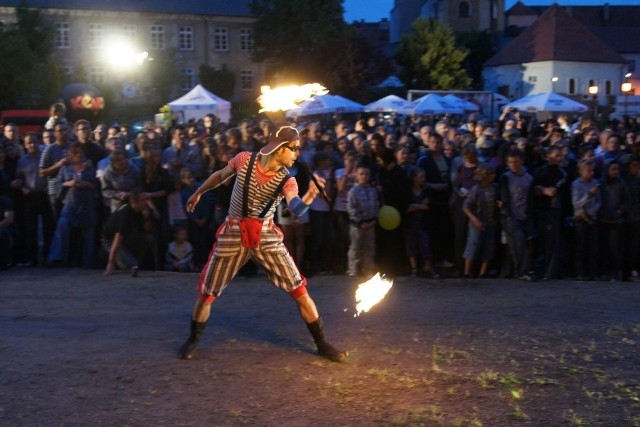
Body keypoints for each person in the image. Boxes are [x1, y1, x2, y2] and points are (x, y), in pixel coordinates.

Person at [178, 125, 347, 362]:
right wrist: (199, 192)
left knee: (299, 289)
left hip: (266, 235)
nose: (298, 153)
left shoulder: (287, 180)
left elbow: (295, 208)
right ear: (280, 149)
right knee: (208, 292)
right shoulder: (244, 159)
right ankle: (193, 339)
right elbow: (220, 176)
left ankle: (321, 344)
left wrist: (309, 195)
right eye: (294, 148)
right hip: (233, 232)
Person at [497, 150, 535, 281]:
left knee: (518, 244)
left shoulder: (529, 178)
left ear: (521, 161)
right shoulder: (505, 177)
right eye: (511, 162)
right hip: (510, 216)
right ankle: (522, 271)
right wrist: (507, 214)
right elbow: (503, 196)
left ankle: (516, 270)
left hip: (524, 214)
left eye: (516, 162)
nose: (513, 165)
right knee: (518, 241)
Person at [102, 188, 155, 276]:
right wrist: (110, 264)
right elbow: (116, 241)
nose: (146, 202)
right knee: (131, 265)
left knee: (148, 238)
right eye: (143, 200)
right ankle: (127, 263)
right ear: (135, 202)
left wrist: (147, 216)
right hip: (110, 241)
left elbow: (144, 230)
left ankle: (131, 261)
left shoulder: (137, 211)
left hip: (126, 237)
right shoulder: (126, 215)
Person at [462, 163, 498, 278]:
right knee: (473, 245)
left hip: (491, 221)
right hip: (477, 222)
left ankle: (483, 272)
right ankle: (467, 272)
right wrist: (475, 219)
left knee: (488, 247)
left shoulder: (495, 187)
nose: (493, 176)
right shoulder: (477, 189)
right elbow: (466, 206)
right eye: (491, 174)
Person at [346, 163, 379, 277]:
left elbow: (376, 204)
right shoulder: (353, 191)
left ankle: (368, 269)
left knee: (369, 248)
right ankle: (353, 270)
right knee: (355, 248)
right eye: (362, 174)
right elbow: (351, 208)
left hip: (370, 223)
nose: (364, 176)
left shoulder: (372, 190)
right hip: (357, 225)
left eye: (366, 174)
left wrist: (374, 219)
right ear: (357, 175)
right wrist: (360, 222)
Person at [571, 159, 601, 281]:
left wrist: (591, 212)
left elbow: (599, 202)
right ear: (581, 171)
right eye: (588, 171)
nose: (591, 173)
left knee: (592, 247)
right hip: (580, 218)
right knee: (580, 246)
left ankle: (592, 272)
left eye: (592, 170)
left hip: (592, 217)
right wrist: (589, 194)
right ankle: (579, 272)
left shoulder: (596, 183)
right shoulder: (576, 184)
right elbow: (576, 203)